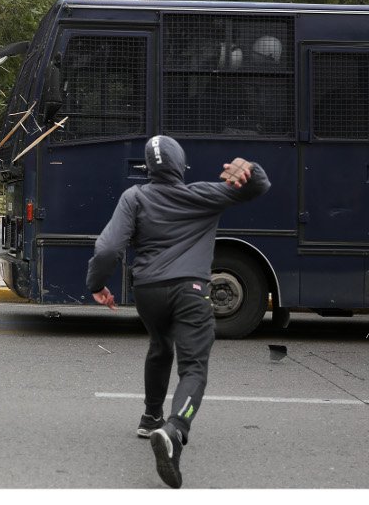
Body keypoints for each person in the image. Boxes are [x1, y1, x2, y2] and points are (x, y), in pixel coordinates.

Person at [85, 135, 270, 489]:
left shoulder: (134, 197)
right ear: (181, 165)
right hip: (191, 291)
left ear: (148, 168)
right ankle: (174, 430)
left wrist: (97, 285)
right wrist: (251, 169)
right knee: (194, 368)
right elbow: (257, 188)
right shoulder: (201, 193)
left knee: (159, 344)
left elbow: (108, 247)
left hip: (148, 293)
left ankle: (151, 416)